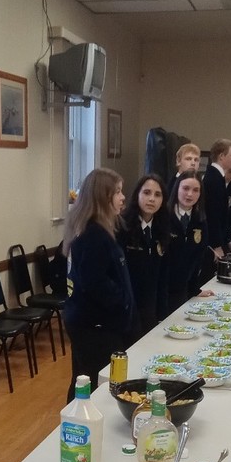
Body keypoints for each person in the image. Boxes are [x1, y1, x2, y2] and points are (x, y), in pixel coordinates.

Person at [62, 168, 134, 401]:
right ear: (103, 197)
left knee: (83, 378)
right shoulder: (94, 235)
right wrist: (122, 300)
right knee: (92, 382)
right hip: (95, 327)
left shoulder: (99, 230)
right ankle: (80, 426)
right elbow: (95, 283)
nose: (123, 198)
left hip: (90, 323)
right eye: (118, 192)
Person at [116, 174, 170, 340]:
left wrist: (162, 313)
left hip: (149, 307)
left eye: (157, 194)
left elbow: (162, 276)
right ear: (137, 195)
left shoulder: (162, 229)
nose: (151, 199)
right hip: (125, 308)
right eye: (146, 193)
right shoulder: (122, 226)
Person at [165, 171, 214, 315]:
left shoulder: (200, 221)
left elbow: (197, 258)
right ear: (177, 188)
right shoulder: (164, 217)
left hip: (181, 290)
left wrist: (195, 289)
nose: (190, 194)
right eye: (185, 188)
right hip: (160, 289)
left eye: (195, 190)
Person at [203, 138, 231, 260]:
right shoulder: (214, 179)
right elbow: (213, 214)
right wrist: (217, 245)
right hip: (213, 242)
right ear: (221, 156)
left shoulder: (217, 177)